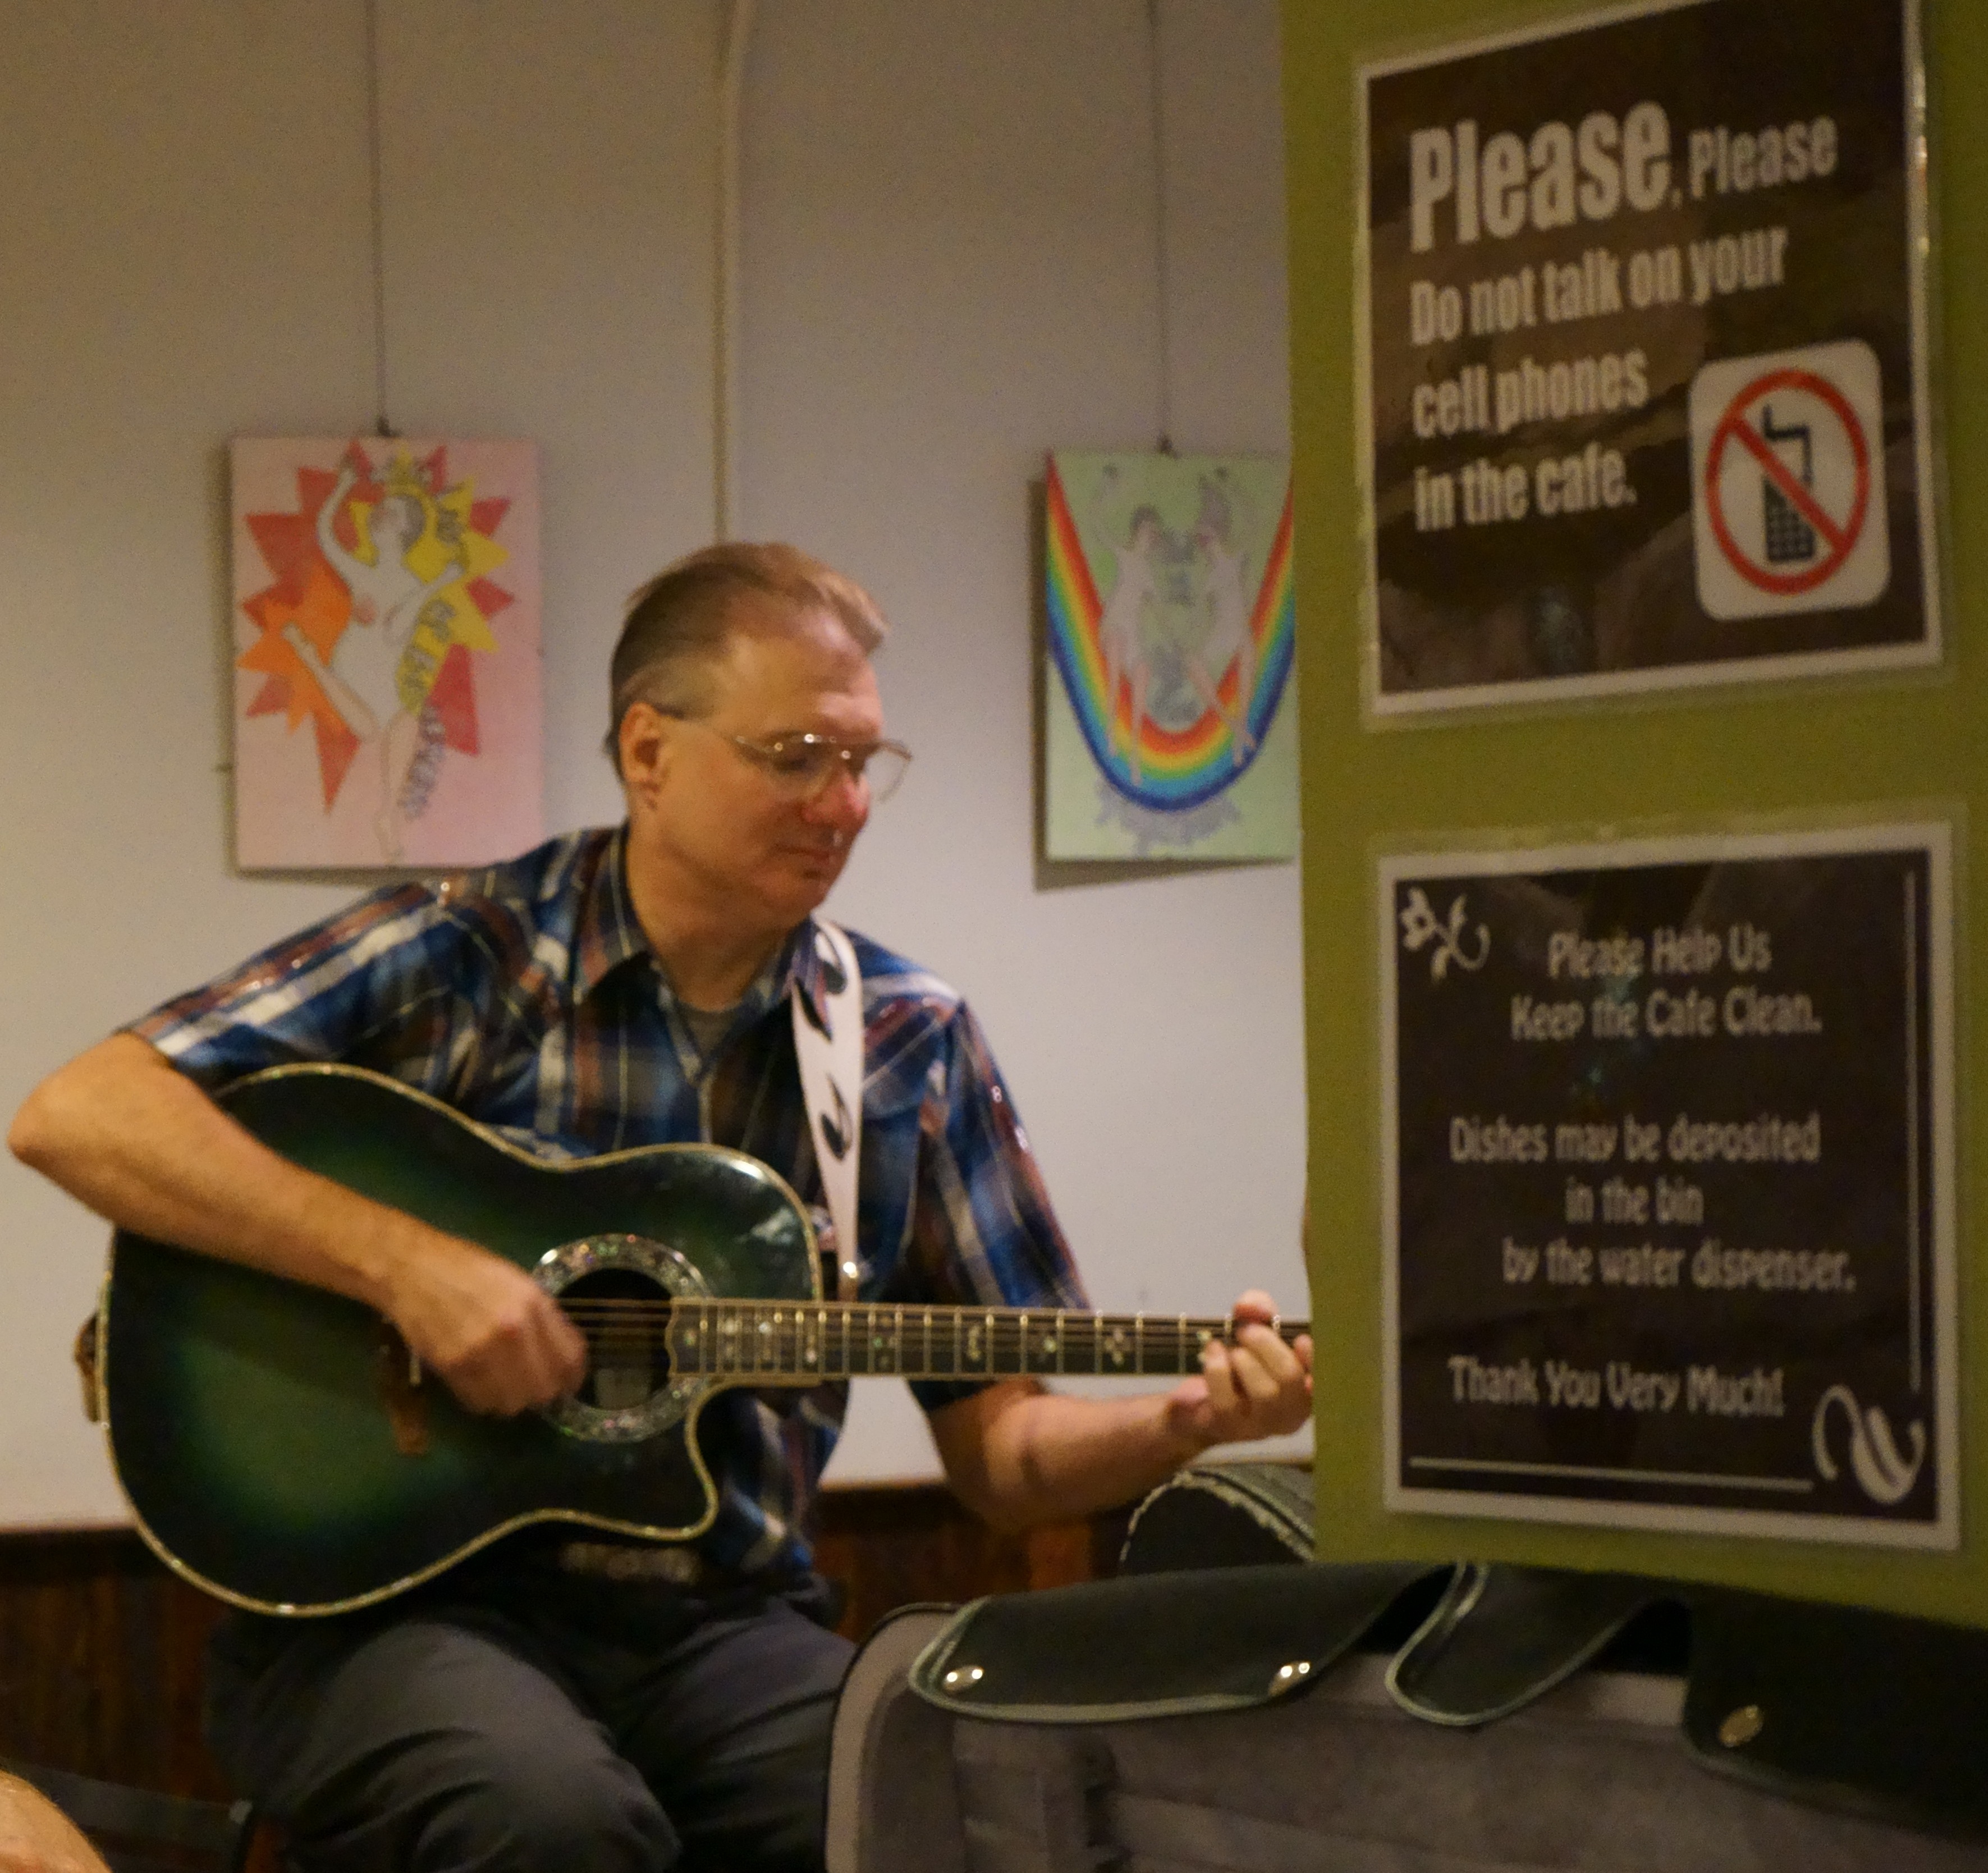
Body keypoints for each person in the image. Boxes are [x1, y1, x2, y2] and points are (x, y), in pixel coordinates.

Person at [8, 542, 1312, 1873]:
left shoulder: (903, 1043)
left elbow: (1004, 1458)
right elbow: (82, 1113)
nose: (842, 802)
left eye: (864, 760)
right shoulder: (473, 956)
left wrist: (1188, 1419)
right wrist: (408, 1266)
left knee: (961, 1812)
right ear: (649, 752)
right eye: (796, 754)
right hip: (384, 1614)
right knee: (552, 1822)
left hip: (718, 1626)